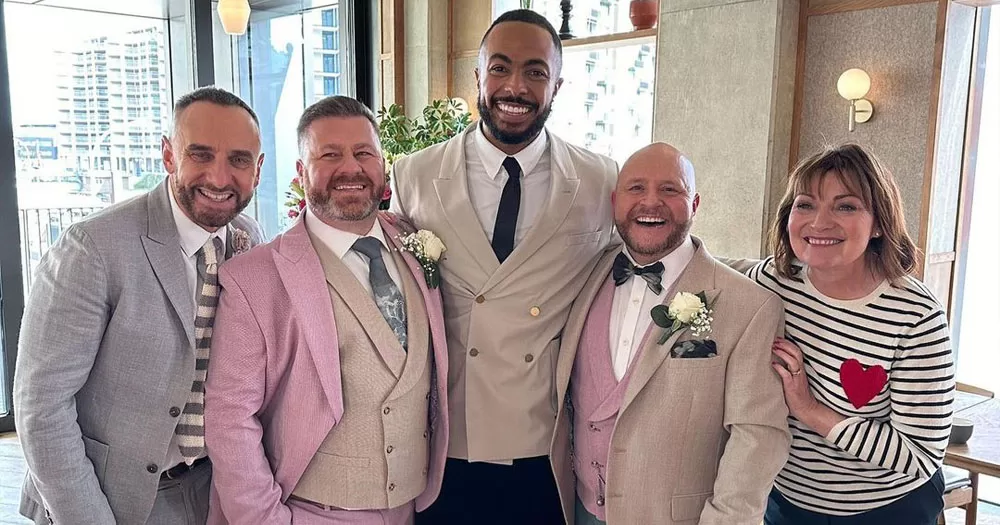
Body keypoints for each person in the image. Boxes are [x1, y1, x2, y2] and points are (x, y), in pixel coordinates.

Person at [390, 9, 618, 524]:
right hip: (444, 442)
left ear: (557, 85)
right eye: (500, 68)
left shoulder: (601, 179)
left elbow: (645, 263)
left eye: (536, 71)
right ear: (478, 76)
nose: (515, 86)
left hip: (544, 442)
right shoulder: (413, 174)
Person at [14, 86, 266, 525]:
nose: (220, 178)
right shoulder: (93, 248)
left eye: (239, 160)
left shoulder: (248, 237)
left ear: (258, 169)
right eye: (200, 155)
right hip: (112, 496)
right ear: (169, 155)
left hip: (214, 487)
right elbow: (41, 407)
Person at [204, 95, 450, 525]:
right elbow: (229, 419)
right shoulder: (254, 278)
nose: (350, 168)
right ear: (302, 172)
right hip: (313, 512)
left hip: (414, 507)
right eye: (329, 155)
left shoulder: (413, 241)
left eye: (363, 153)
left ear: (383, 165)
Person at [549, 143, 790, 525]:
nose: (650, 202)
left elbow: (758, 436)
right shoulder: (584, 275)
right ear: (614, 202)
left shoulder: (750, 306)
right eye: (636, 189)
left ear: (694, 204)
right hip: (578, 509)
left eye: (670, 189)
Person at [748, 144, 954, 524]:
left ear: (878, 223)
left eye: (845, 206)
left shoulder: (915, 314)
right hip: (785, 502)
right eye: (805, 204)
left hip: (887, 508)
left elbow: (921, 456)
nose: (819, 222)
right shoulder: (771, 283)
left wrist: (809, 410)